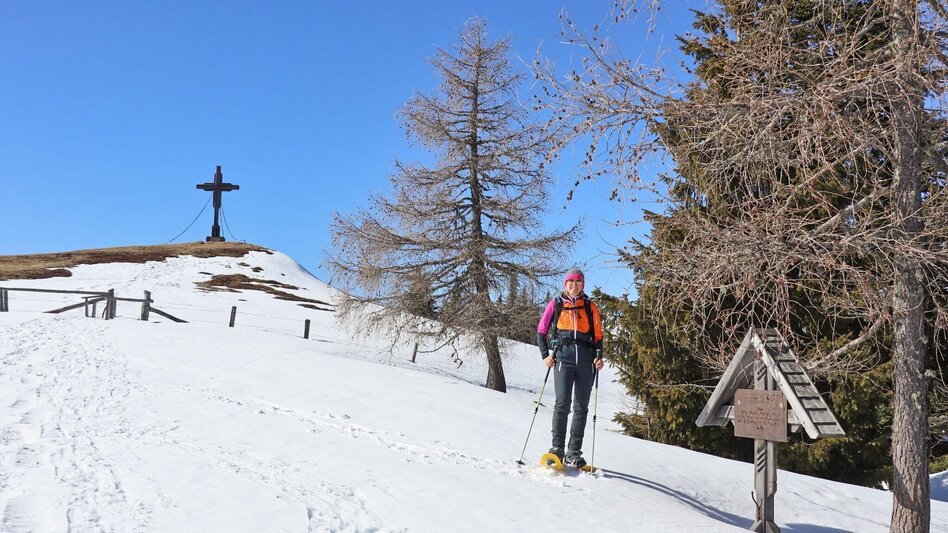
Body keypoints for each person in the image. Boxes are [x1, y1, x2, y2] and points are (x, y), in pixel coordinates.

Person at [536, 267, 605, 468]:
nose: (574, 285)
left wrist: (599, 357)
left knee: (581, 407)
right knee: (562, 404)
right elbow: (541, 331)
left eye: (578, 282)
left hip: (586, 360)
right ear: (565, 284)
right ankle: (556, 450)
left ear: (583, 284)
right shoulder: (556, 304)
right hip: (563, 358)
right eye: (571, 282)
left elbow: (599, 337)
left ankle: (573, 453)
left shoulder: (590, 307)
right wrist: (545, 355)